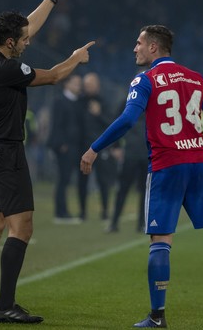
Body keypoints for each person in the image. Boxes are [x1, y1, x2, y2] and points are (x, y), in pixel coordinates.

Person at [80, 25, 203, 328]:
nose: (134, 48)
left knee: (161, 242)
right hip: (199, 166)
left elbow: (127, 120)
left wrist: (94, 149)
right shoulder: (196, 78)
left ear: (154, 48)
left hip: (166, 168)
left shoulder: (145, 80)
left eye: (138, 43)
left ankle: (158, 316)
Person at [0, 0, 95, 324]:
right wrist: (75, 58)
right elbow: (55, 76)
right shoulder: (7, 70)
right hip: (5, 154)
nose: (28, 41)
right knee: (22, 227)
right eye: (22, 40)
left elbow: (26, 26)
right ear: (10, 43)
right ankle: (6, 306)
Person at [78, 72, 116, 220]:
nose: (89, 87)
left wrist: (99, 113)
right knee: (82, 180)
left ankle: (105, 211)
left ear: (97, 85)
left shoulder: (104, 102)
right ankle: (82, 212)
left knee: (103, 181)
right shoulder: (80, 102)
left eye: (92, 84)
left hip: (101, 147)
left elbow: (111, 124)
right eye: (87, 85)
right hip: (83, 146)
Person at [47, 74, 83, 223]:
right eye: (75, 83)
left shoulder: (78, 102)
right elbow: (56, 124)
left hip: (77, 146)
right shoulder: (59, 101)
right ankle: (60, 213)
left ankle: (65, 211)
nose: (78, 86)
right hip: (64, 148)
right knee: (63, 179)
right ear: (67, 84)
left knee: (69, 179)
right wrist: (60, 144)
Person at [106, 112, 147, 233]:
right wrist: (116, 145)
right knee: (123, 189)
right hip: (131, 154)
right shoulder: (127, 100)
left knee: (145, 191)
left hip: (146, 153)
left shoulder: (152, 101)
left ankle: (142, 224)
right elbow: (117, 122)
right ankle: (114, 222)